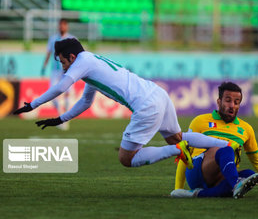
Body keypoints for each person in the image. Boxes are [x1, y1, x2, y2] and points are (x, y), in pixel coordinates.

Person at [14, 38, 235, 170]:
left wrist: (33, 104)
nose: (63, 67)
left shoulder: (81, 63)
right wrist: (60, 119)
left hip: (146, 106)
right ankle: (226, 145)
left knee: (126, 159)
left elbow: (62, 87)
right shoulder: (91, 63)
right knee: (177, 135)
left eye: (63, 62)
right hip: (158, 93)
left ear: (71, 57)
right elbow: (85, 101)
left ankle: (176, 150)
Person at [171, 82, 258, 198]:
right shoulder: (200, 121)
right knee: (225, 149)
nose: (232, 105)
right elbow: (184, 154)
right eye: (228, 100)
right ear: (219, 101)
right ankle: (235, 183)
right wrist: (178, 187)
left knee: (249, 174)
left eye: (236, 102)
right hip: (197, 172)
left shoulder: (246, 129)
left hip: (220, 178)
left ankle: (197, 194)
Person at [41, 18, 75, 130]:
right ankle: (61, 116)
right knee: (52, 94)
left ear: (67, 26)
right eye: (60, 25)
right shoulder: (53, 39)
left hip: (67, 71)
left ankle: (65, 119)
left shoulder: (72, 39)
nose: (62, 27)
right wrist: (44, 66)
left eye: (64, 25)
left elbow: (78, 55)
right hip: (55, 71)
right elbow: (48, 53)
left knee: (67, 95)